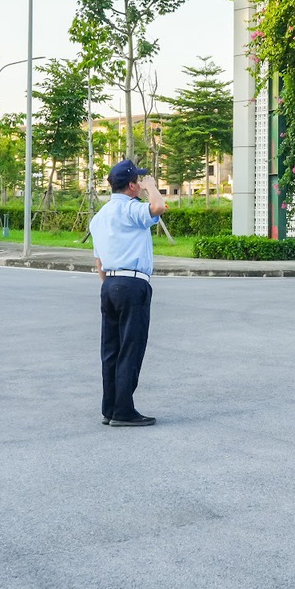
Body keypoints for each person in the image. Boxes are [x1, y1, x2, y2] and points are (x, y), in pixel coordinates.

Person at [89, 159, 167, 426]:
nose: (142, 183)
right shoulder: (131, 209)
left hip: (109, 284)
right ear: (132, 185)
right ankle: (123, 411)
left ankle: (109, 408)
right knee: (131, 348)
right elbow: (158, 208)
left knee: (110, 349)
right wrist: (152, 187)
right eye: (140, 181)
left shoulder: (99, 217)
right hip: (132, 284)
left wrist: (110, 286)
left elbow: (99, 263)